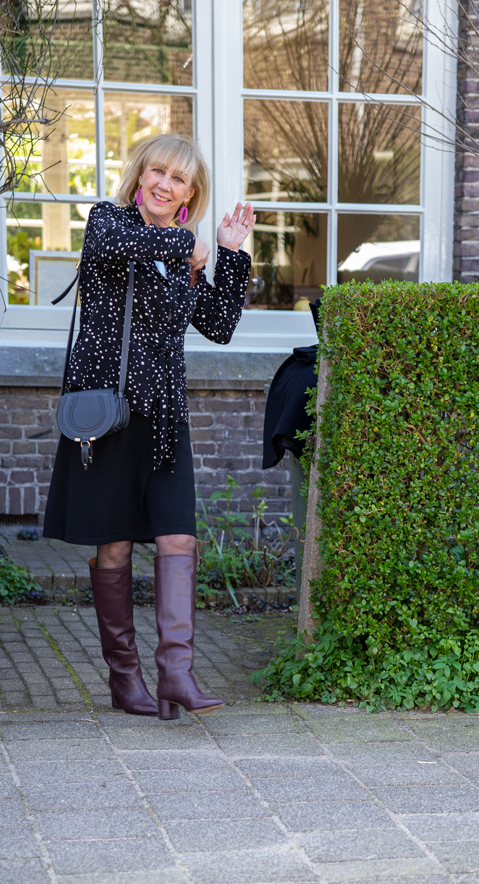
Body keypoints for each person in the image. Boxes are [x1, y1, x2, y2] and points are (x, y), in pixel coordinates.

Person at [43, 133, 256, 720]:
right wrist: (187, 245)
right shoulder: (110, 222)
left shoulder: (181, 255)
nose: (165, 184)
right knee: (113, 545)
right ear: (140, 175)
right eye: (157, 171)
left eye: (179, 179)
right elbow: (130, 243)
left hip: (164, 418)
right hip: (110, 415)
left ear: (191, 192)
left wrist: (230, 255)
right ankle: (125, 680)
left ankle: (177, 675)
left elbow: (219, 326)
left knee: (177, 535)